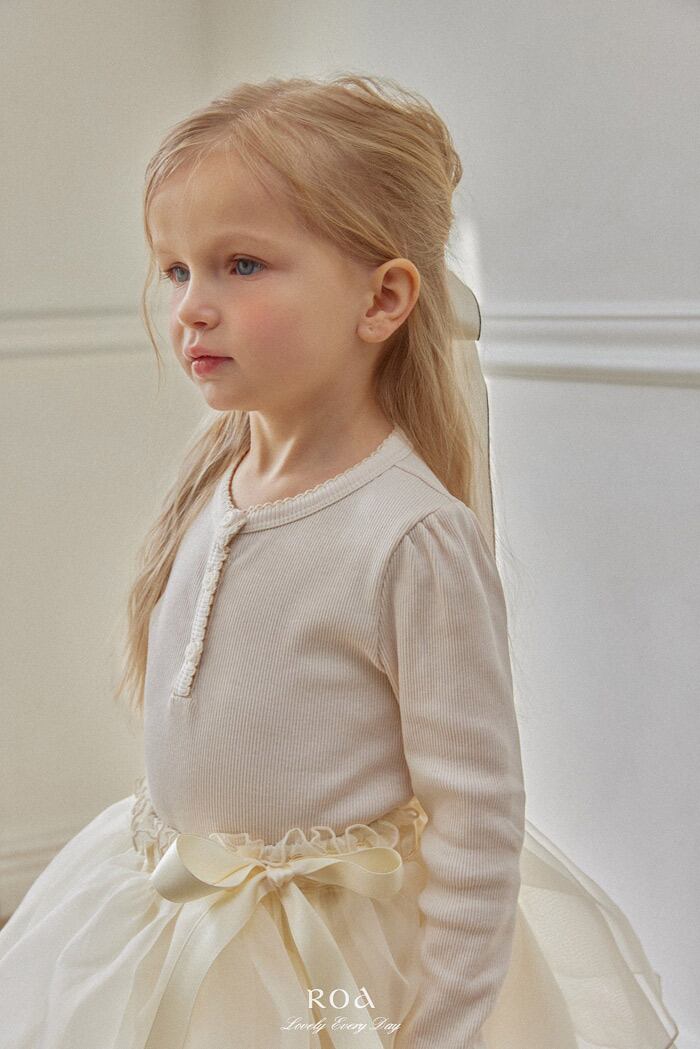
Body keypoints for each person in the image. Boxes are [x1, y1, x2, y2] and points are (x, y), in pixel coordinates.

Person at [0, 73, 679, 1049]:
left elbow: (477, 823)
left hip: (329, 971)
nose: (191, 307)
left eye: (240, 264)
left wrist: (437, 1028)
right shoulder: (218, 475)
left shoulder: (409, 536)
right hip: (178, 910)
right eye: (176, 270)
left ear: (383, 298)